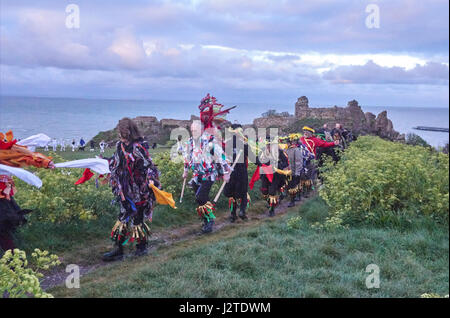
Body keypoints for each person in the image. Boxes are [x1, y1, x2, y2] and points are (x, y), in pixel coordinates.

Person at [102, 118, 161, 262]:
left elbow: (150, 166)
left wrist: (151, 180)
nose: (121, 137)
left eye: (123, 133)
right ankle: (118, 249)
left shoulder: (139, 147)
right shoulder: (119, 146)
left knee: (138, 218)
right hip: (124, 189)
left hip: (140, 189)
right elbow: (115, 162)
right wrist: (102, 162)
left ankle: (141, 246)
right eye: (120, 133)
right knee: (122, 217)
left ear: (129, 132)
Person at [179, 94, 233, 234]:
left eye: (195, 130)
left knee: (200, 197)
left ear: (201, 130)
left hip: (209, 174)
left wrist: (226, 172)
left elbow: (220, 156)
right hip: (197, 175)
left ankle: (209, 222)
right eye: (192, 130)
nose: (193, 132)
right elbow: (187, 157)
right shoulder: (190, 142)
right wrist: (185, 171)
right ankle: (206, 219)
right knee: (200, 198)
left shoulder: (209, 140)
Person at [0, 130, 55, 253]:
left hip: (2, 196)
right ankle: (12, 258)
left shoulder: (6, 148)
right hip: (4, 194)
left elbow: (24, 155)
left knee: (3, 227)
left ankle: (13, 259)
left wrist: (46, 162)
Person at [223, 123, 254, 222]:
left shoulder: (227, 143)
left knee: (232, 194)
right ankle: (242, 211)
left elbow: (223, 157)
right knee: (243, 193)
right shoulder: (244, 144)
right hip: (241, 172)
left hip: (231, 172)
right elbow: (252, 158)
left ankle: (232, 215)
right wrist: (263, 163)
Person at [285, 134, 303, 207]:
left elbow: (298, 162)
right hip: (287, 172)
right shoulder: (285, 150)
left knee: (293, 186)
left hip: (294, 171)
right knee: (289, 186)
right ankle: (293, 197)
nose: (287, 143)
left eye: (288, 142)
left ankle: (293, 201)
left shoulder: (296, 150)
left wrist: (297, 172)